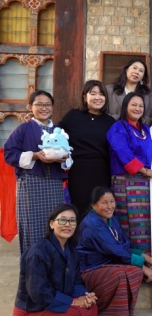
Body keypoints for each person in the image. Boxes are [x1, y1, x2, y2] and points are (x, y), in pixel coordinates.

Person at [13, 204, 98, 316]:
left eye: (72, 221)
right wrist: (73, 302)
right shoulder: (38, 251)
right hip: (31, 312)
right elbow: (39, 292)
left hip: (50, 305)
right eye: (63, 220)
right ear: (52, 224)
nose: (68, 224)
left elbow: (76, 281)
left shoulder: (71, 251)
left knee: (90, 307)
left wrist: (84, 296)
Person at [78, 187, 152, 316]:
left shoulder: (110, 218)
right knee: (120, 274)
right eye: (104, 203)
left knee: (134, 272)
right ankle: (101, 315)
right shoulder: (92, 224)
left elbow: (123, 243)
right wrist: (142, 265)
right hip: (89, 268)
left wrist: (141, 254)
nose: (109, 206)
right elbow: (114, 249)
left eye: (112, 202)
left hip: (108, 264)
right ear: (94, 205)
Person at [4, 91, 72, 254]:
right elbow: (9, 154)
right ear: (30, 107)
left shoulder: (59, 131)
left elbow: (69, 158)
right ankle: (33, 271)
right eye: (39, 104)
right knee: (32, 228)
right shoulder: (23, 129)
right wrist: (35, 155)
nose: (44, 108)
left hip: (54, 185)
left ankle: (54, 269)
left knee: (56, 226)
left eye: (47, 105)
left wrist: (64, 159)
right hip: (30, 184)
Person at [58, 80, 115, 219]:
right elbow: (57, 135)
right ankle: (79, 240)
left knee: (101, 209)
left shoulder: (110, 121)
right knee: (80, 209)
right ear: (84, 97)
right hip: (78, 171)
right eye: (93, 93)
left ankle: (99, 240)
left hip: (102, 171)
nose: (98, 97)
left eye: (101, 94)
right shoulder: (72, 116)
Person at [106, 92, 152, 253]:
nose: (137, 108)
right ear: (125, 106)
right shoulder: (117, 127)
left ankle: (148, 260)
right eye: (134, 105)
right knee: (129, 223)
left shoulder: (146, 129)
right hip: (125, 180)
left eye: (141, 106)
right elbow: (122, 151)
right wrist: (142, 169)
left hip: (146, 182)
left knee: (145, 222)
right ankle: (132, 262)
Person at [106, 57, 152, 122]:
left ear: (143, 76)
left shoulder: (148, 94)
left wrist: (141, 120)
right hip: (114, 129)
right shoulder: (110, 90)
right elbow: (102, 115)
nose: (137, 72)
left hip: (139, 130)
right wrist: (127, 119)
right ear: (126, 70)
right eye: (134, 68)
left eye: (141, 71)